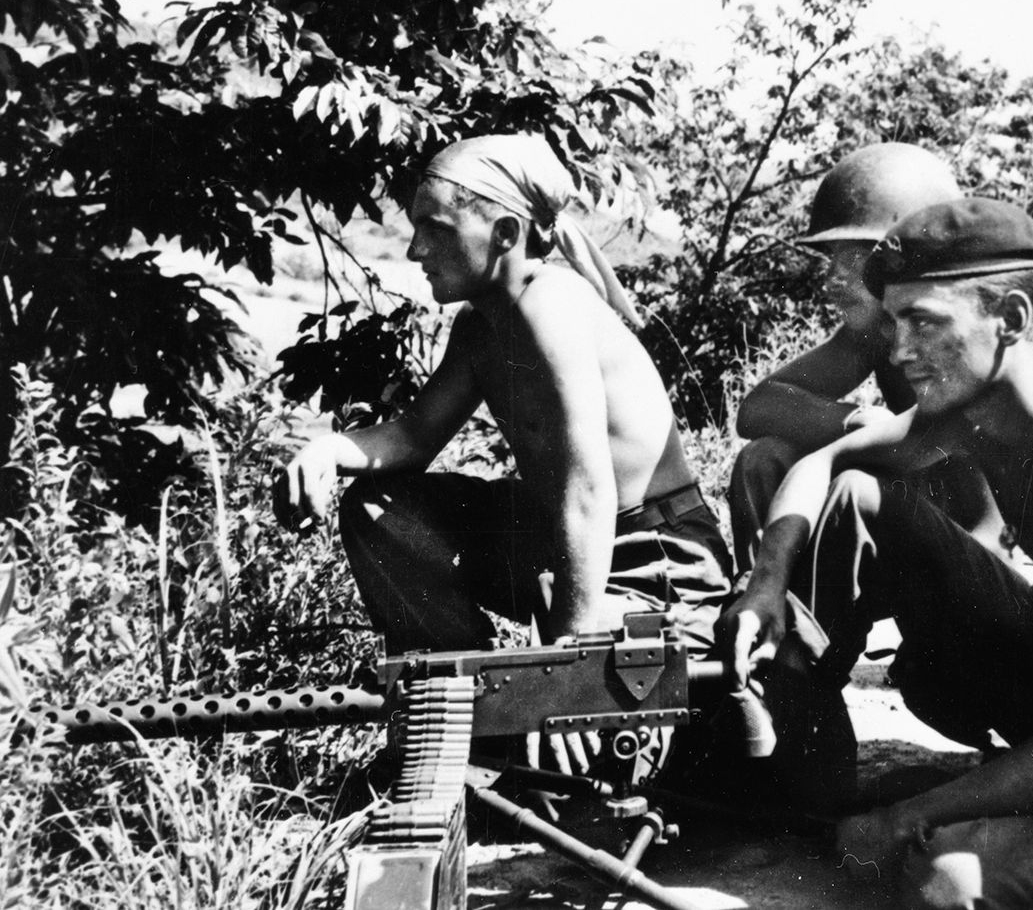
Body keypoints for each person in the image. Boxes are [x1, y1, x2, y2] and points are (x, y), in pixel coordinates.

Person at [718, 198, 1033, 908]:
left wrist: (901, 818)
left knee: (944, 883)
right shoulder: (980, 404)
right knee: (859, 493)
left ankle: (984, 809)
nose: (898, 347)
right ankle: (800, 770)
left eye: (922, 322)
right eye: (893, 320)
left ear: (1010, 318)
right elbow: (823, 462)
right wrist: (765, 581)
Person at [277, 133, 733, 678]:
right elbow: (415, 437)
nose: (415, 250)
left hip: (653, 559)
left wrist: (568, 662)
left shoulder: (552, 305)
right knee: (379, 509)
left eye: (436, 230)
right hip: (561, 540)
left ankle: (507, 708)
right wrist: (328, 450)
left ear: (505, 234)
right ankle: (457, 689)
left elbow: (587, 491)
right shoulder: (479, 324)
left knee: (559, 724)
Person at [728, 142, 962, 572]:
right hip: (900, 511)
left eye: (852, 260)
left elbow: (989, 528)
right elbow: (757, 408)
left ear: (909, 261)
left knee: (854, 487)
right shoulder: (871, 335)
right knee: (762, 458)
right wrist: (857, 421)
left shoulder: (965, 347)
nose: (831, 281)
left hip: (957, 551)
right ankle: (767, 613)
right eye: (831, 260)